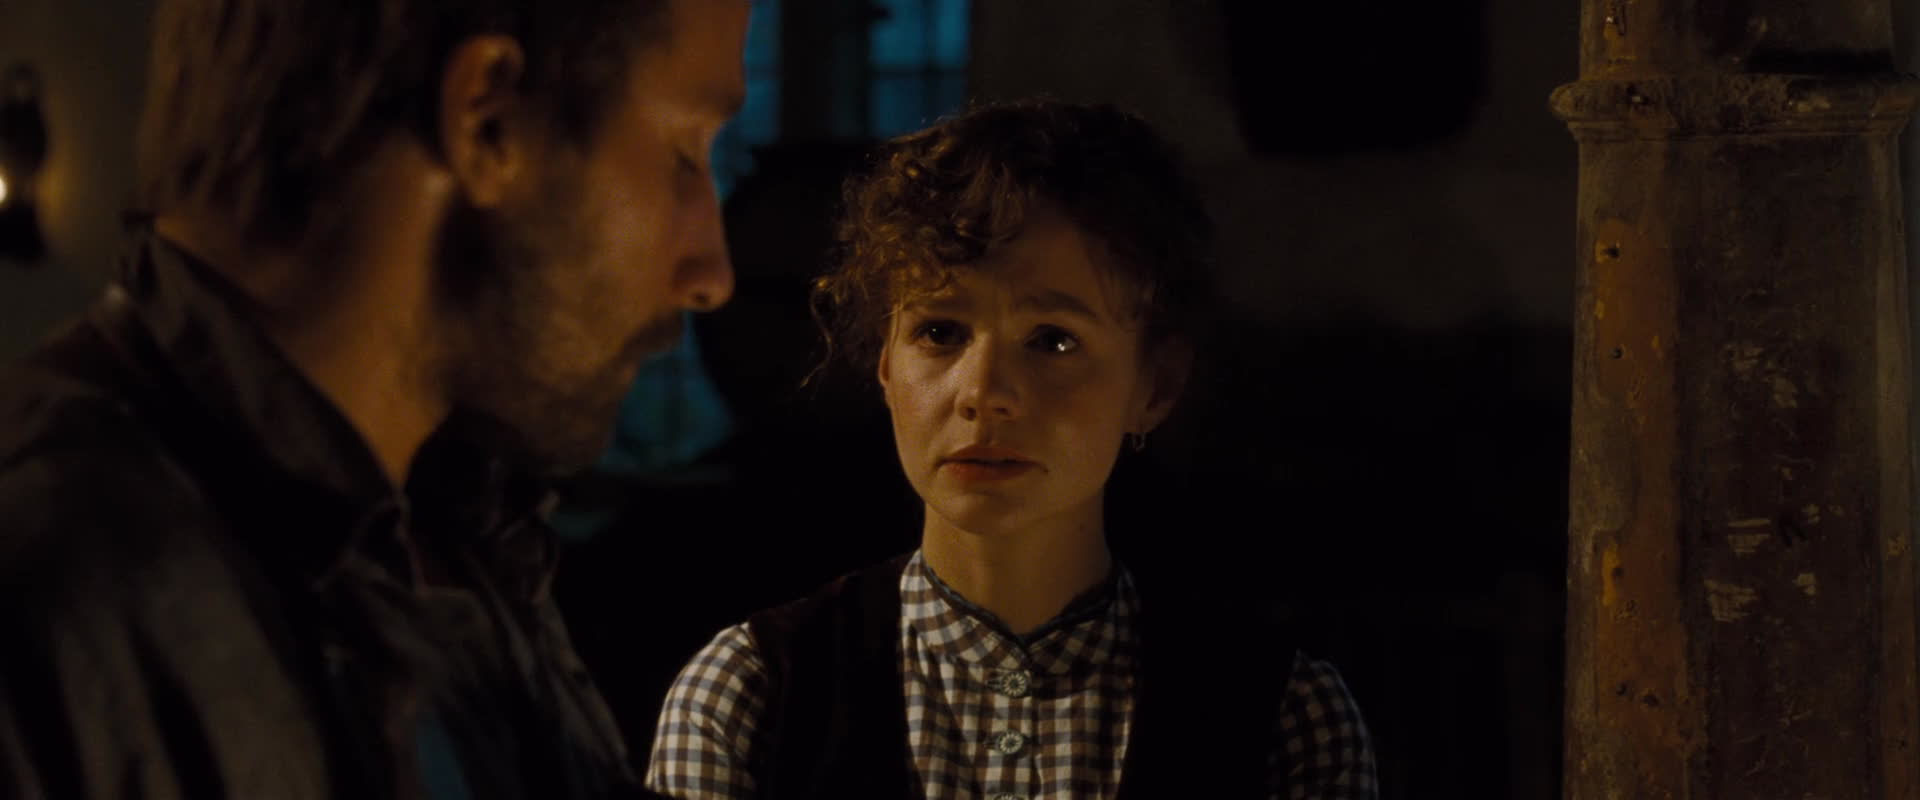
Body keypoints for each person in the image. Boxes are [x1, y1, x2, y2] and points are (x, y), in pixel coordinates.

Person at [0, 0, 746, 797]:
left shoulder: (453, 537)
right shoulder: (61, 595)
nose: (713, 274)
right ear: (487, 119)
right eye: (686, 150)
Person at [644, 100, 1378, 799]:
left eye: (1052, 340)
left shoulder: (1284, 717)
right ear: (886, 367)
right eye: (939, 332)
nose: (984, 392)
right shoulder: (747, 695)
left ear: (1155, 385)